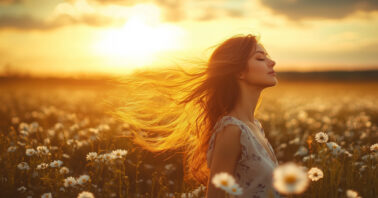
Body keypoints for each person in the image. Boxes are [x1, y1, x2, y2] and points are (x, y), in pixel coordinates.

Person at [112, 33, 282, 197]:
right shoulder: (232, 129)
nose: (272, 62)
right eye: (260, 58)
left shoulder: (255, 126)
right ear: (239, 72)